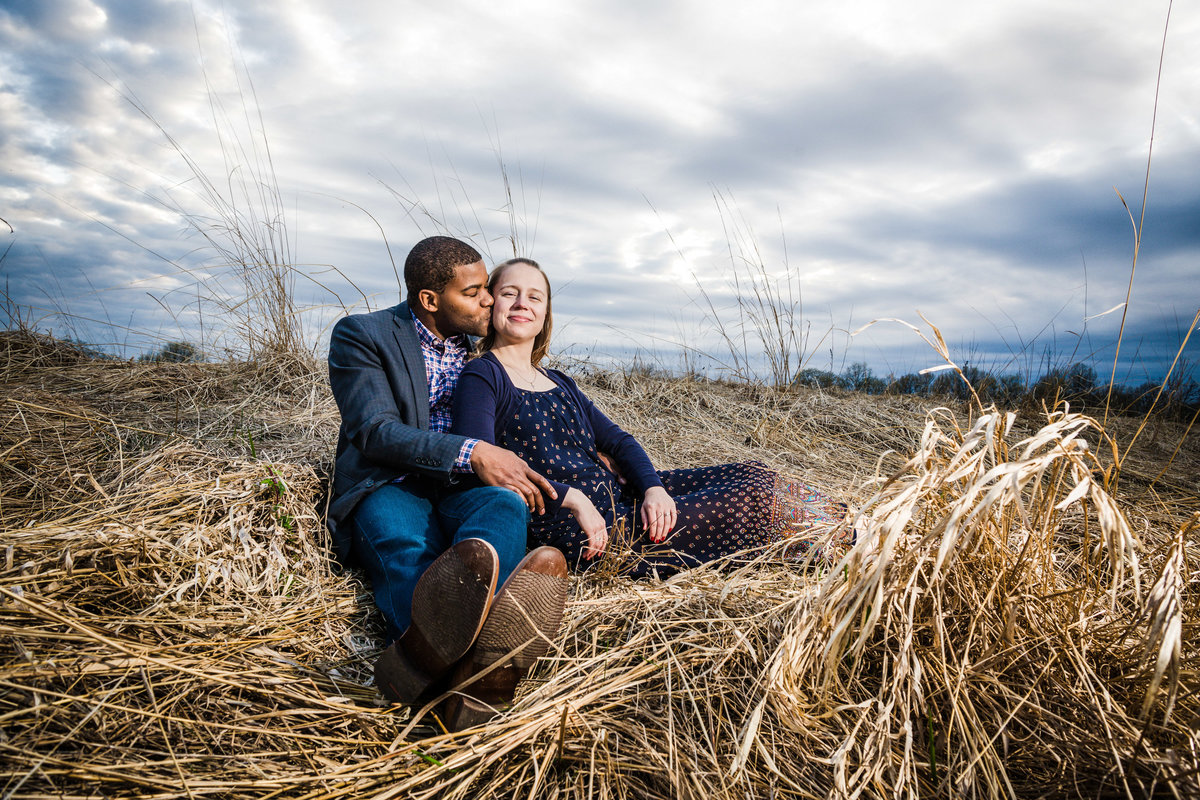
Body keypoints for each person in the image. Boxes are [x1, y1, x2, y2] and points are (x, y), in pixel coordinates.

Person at [450, 258, 851, 575]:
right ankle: (843, 550)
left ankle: (853, 529)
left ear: (546, 312)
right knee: (754, 501)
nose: (523, 304)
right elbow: (485, 467)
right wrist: (572, 500)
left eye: (535, 297)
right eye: (510, 293)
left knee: (754, 473)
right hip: (574, 527)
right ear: (491, 304)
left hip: (617, 498)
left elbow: (619, 441)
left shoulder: (558, 381)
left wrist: (653, 488)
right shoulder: (483, 374)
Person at [327, 237, 568, 730]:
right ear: (430, 301)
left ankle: (443, 662)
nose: (489, 300)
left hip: (458, 487)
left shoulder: (481, 348)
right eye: (475, 292)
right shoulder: (363, 335)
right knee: (405, 541)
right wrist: (472, 451)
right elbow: (374, 430)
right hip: (389, 481)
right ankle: (473, 673)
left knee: (504, 507)